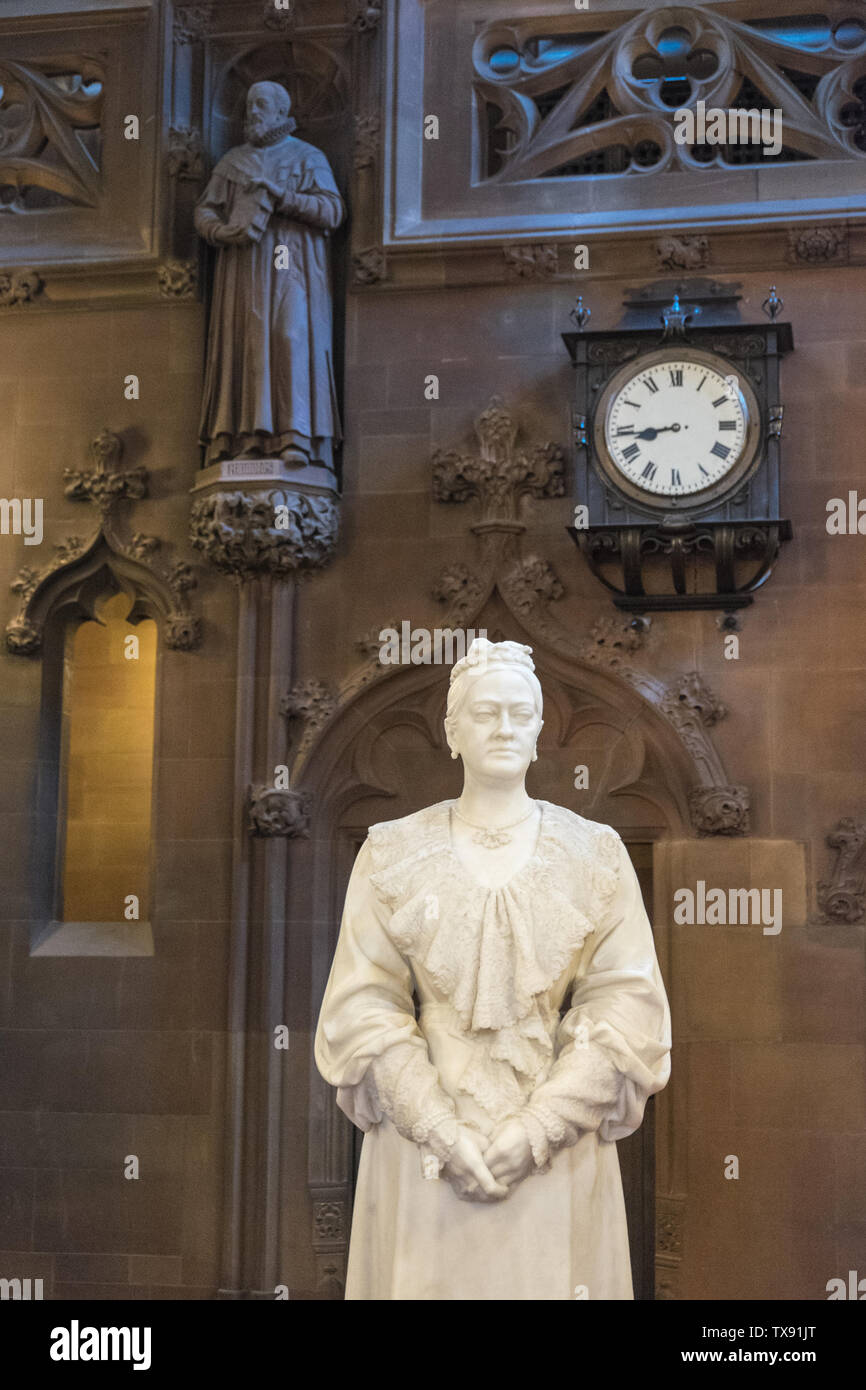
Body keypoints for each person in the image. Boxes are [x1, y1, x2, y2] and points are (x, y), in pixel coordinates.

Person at [314, 638, 671, 1299]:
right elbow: (364, 1007)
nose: (503, 726)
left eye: (518, 712)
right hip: (423, 1143)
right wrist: (440, 1130)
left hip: (555, 1146)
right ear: (452, 732)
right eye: (484, 713)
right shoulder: (392, 852)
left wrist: (540, 1127)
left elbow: (626, 1007)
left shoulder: (594, 852)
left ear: (540, 729)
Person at [194, 81, 345, 473]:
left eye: (261, 105)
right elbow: (205, 211)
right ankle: (247, 438)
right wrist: (219, 231)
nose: (253, 114)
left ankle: (295, 436)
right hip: (242, 270)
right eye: (249, 106)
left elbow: (331, 212)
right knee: (247, 344)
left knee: (290, 336)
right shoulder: (232, 163)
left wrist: (284, 198)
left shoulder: (307, 156)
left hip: (292, 264)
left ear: (281, 112)